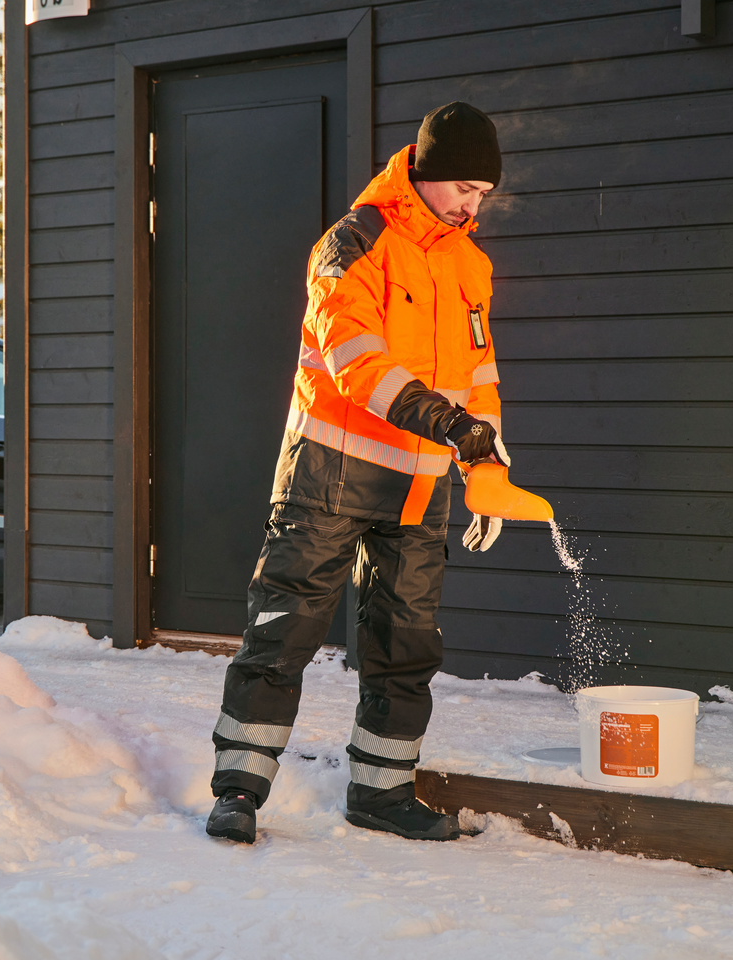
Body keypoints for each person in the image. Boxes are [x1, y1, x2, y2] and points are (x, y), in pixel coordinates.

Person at [205, 102, 511, 844]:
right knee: (285, 627)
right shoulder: (355, 242)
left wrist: (488, 460)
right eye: (464, 189)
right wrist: (449, 425)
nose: (473, 206)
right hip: (330, 474)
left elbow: (479, 374)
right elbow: (354, 361)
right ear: (428, 173)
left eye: (483, 195)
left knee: (406, 644)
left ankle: (381, 793)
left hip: (420, 484)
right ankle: (239, 790)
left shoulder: (471, 264)